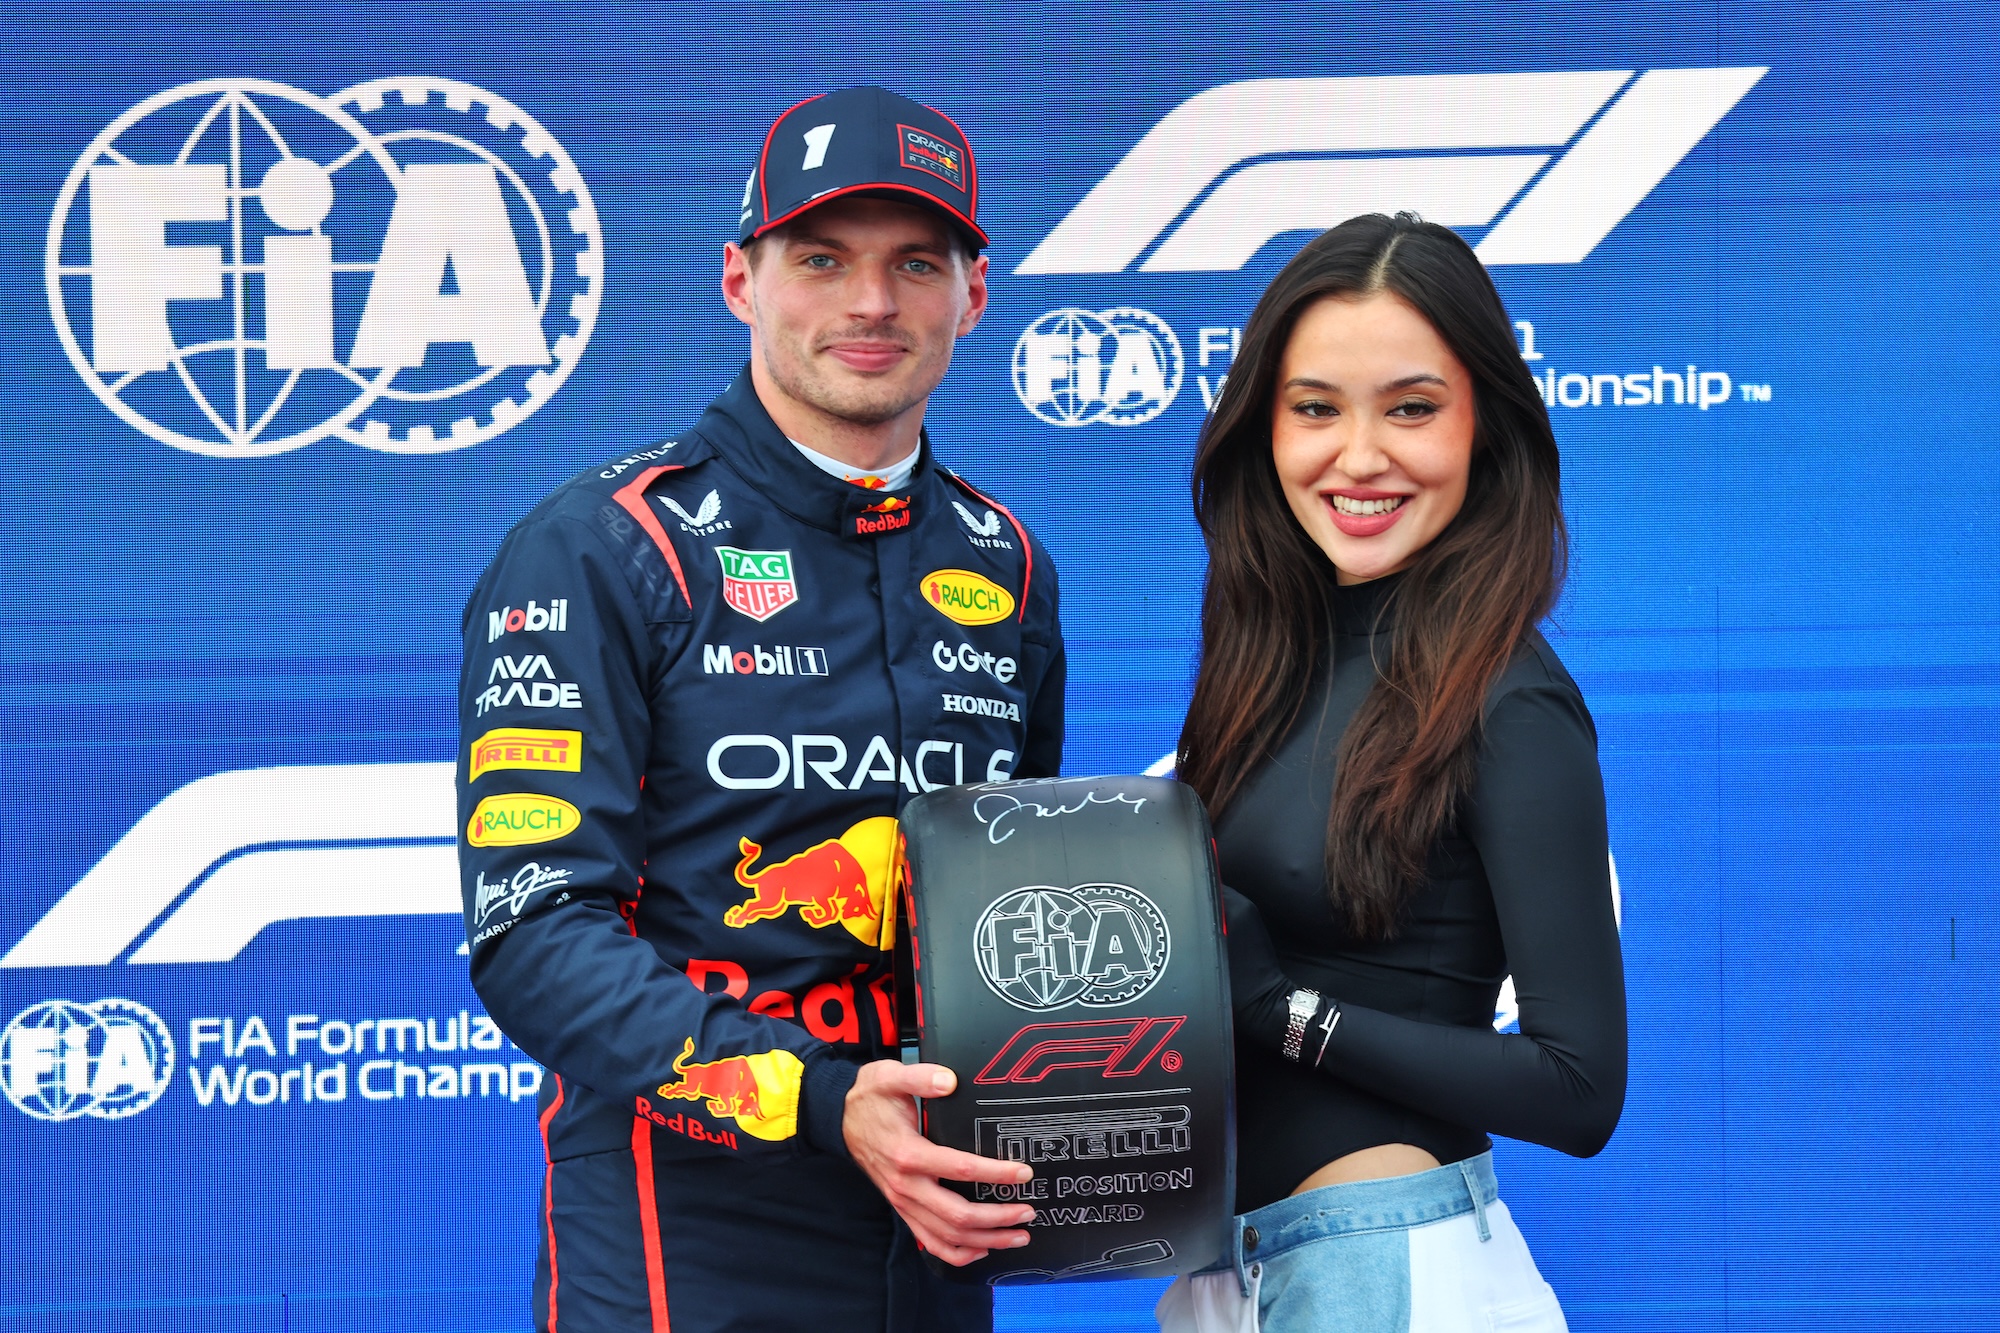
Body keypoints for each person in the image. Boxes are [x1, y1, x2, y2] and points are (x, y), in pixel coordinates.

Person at [455, 86, 1065, 1333]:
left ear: (974, 294)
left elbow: (1010, 901)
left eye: (915, 263)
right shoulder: (603, 547)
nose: (870, 304)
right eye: (821, 259)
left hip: (932, 1222)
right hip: (687, 1226)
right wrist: (821, 1098)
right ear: (741, 278)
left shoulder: (1004, 564)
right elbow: (535, 937)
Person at [1158, 213, 1627, 1332]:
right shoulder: (1267, 654)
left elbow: (1577, 1086)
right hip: (1237, 1271)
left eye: (1409, 407)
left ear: (1482, 428)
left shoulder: (1509, 696)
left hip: (1385, 1261)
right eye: (1314, 407)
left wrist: (1282, 1010)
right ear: (1261, 427)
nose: (1357, 455)